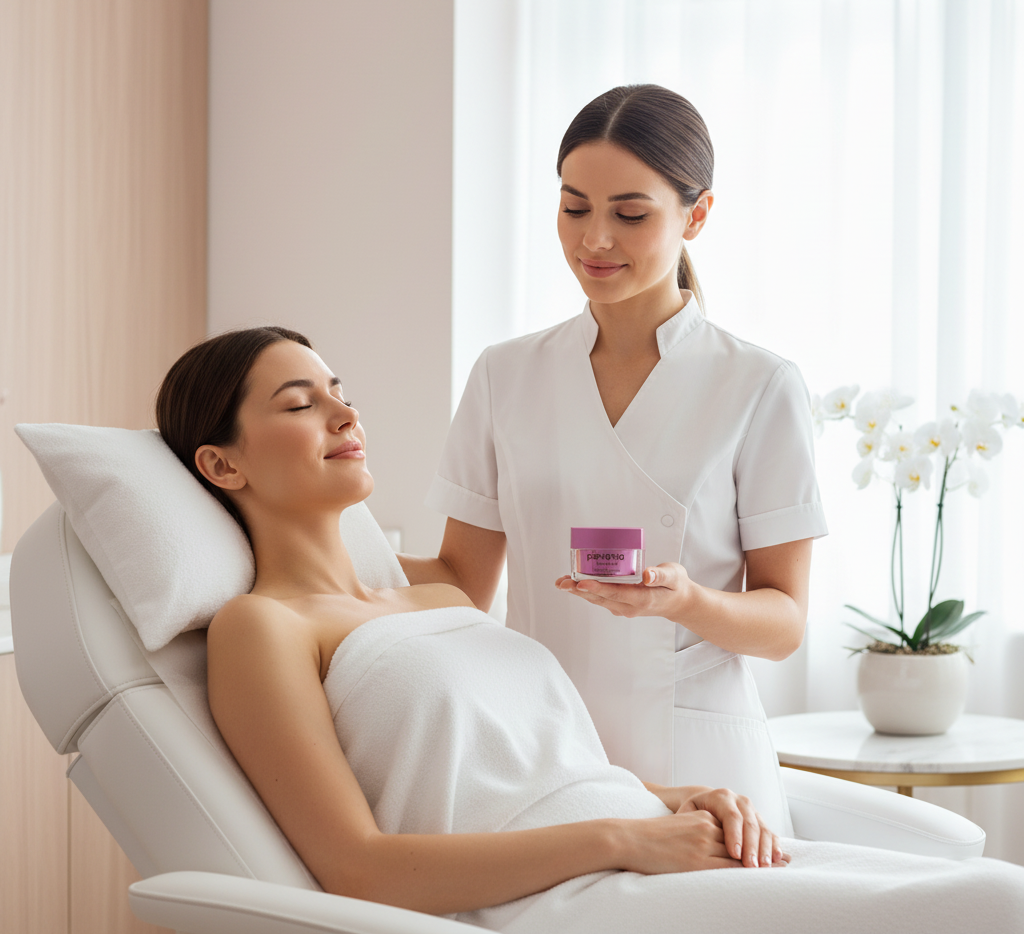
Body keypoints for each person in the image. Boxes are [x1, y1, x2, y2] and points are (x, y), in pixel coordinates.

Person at [155, 326, 1024, 934]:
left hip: (647, 848)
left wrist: (676, 801)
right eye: (301, 405)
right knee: (995, 910)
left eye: (342, 396)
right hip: (564, 900)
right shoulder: (260, 628)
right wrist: (626, 839)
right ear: (223, 463)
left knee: (996, 892)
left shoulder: (438, 600)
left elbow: (540, 769)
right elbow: (359, 868)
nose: (346, 417)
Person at [401, 84, 825, 832]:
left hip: (703, 762)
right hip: (542, 752)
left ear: (697, 215)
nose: (594, 239)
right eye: (574, 208)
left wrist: (684, 601)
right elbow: (463, 582)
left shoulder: (758, 385)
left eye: (630, 214)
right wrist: (318, 551)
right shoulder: (507, 375)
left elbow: (785, 622)